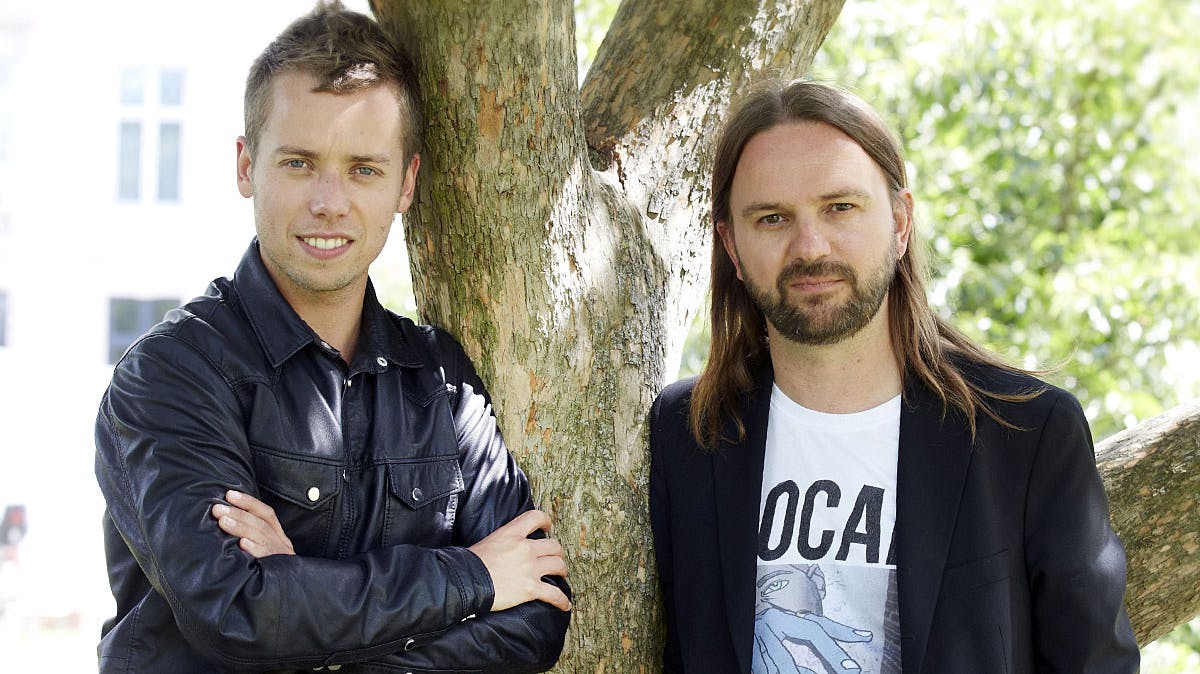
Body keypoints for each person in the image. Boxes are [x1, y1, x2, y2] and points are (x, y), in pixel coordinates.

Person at [94, 3, 570, 672]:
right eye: (298, 163)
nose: (329, 201)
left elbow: (537, 612)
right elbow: (242, 612)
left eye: (364, 169)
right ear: (245, 165)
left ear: (406, 182)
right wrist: (470, 578)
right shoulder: (170, 376)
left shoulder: (441, 381)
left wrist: (304, 600)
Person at [648, 80, 1139, 673]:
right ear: (731, 244)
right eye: (772, 217)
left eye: (840, 207)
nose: (810, 245)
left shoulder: (1028, 433)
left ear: (901, 223)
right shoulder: (688, 433)